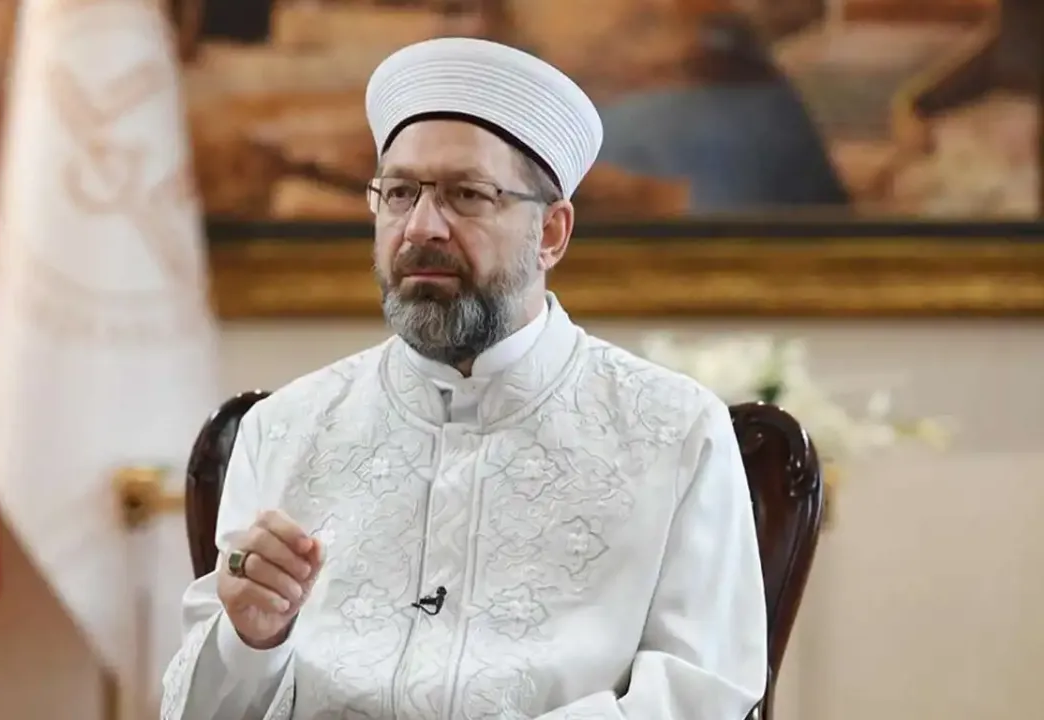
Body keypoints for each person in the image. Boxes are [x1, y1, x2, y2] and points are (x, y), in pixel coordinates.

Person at [161, 37, 767, 720]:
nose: (421, 227)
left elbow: (701, 697)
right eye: (399, 193)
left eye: (466, 195)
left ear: (551, 233)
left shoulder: (675, 431)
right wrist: (250, 640)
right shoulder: (283, 430)